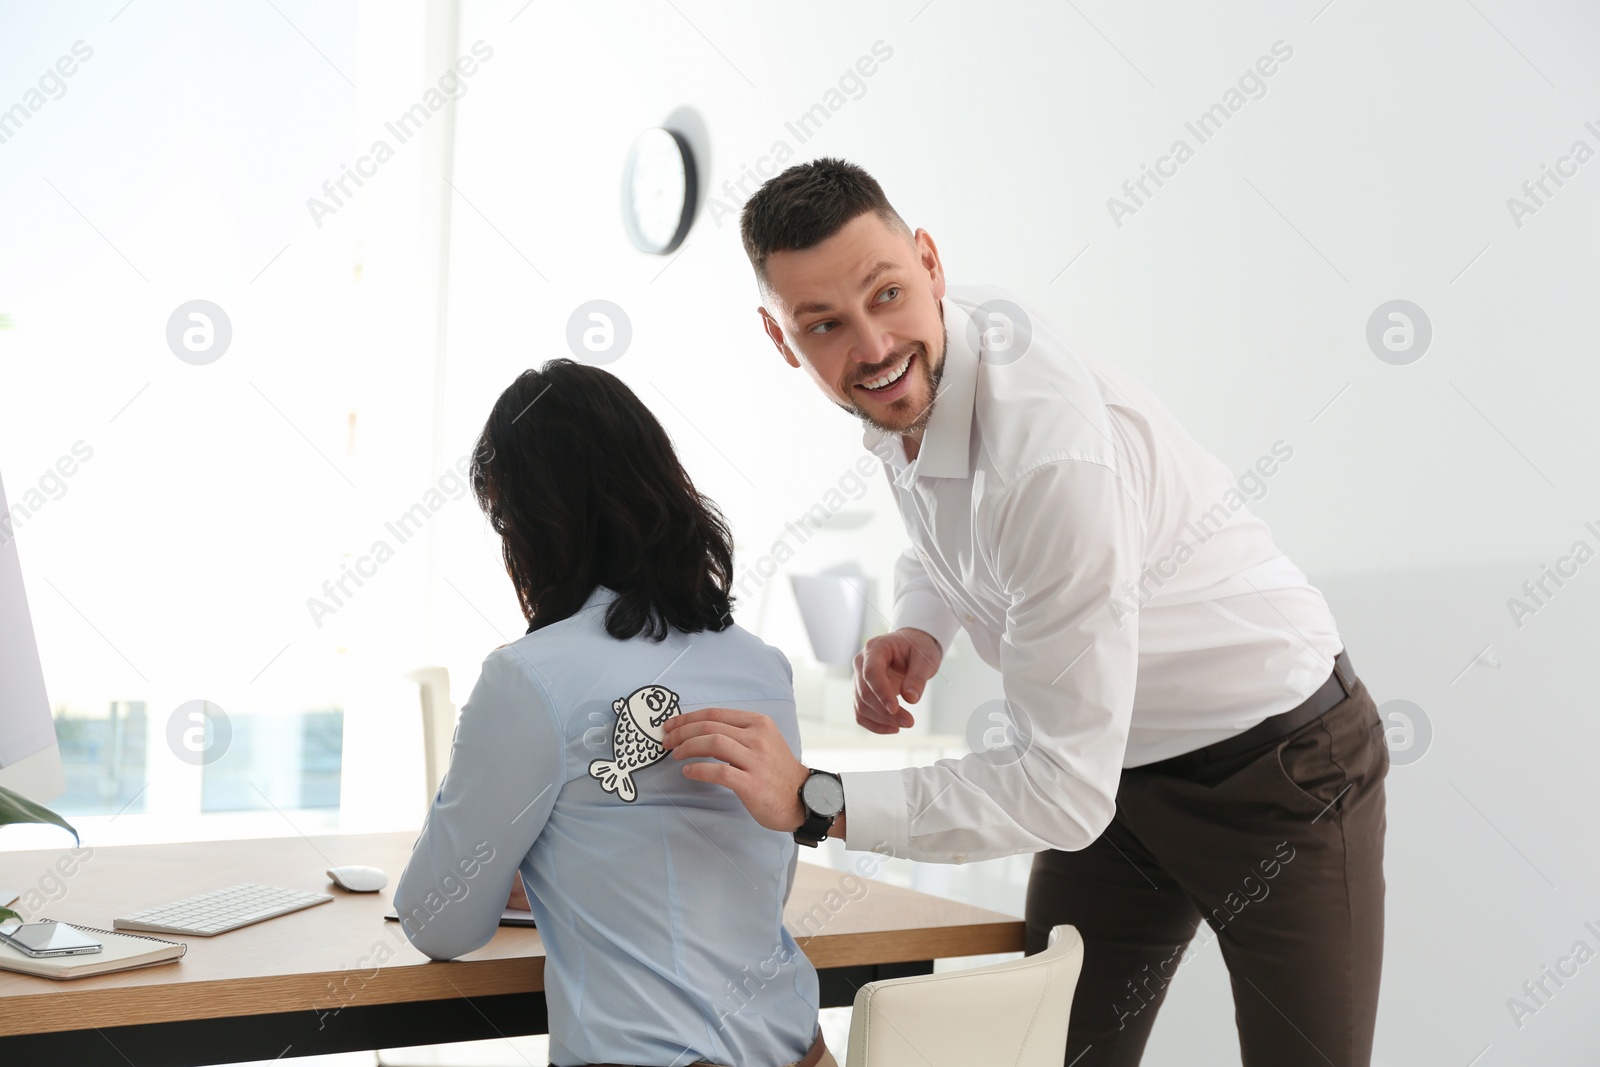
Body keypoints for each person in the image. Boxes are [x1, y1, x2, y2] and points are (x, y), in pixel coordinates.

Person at [663, 159, 1387, 1066]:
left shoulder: (1050, 460)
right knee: (1049, 1054)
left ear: (929, 261)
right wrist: (923, 619)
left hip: (1278, 766)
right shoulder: (920, 363)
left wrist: (816, 799)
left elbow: (1060, 788)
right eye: (826, 325)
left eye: (886, 294)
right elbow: (947, 509)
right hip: (1114, 765)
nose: (874, 344)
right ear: (782, 339)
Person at [394, 360, 833, 1067]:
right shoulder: (763, 666)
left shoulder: (531, 676)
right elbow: (759, 890)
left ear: (531, 524)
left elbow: (434, 920)